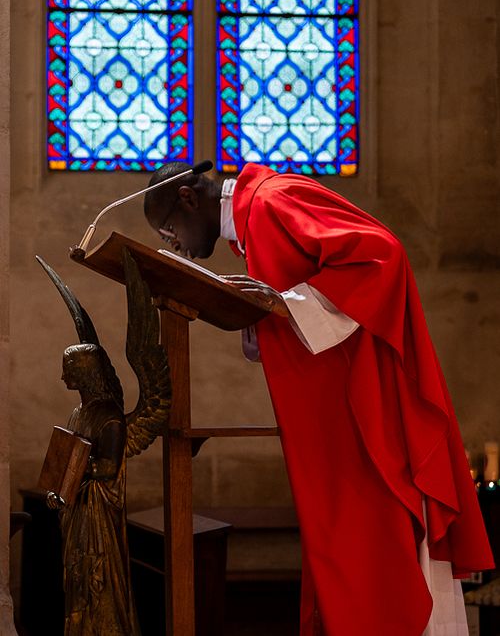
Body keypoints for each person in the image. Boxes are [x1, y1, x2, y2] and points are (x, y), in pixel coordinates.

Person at [144, 161, 494, 636]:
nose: (173, 244)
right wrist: (261, 314)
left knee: (382, 555)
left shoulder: (271, 200)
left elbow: (380, 255)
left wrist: (282, 303)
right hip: (337, 424)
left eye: (168, 230)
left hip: (366, 416)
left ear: (187, 198)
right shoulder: (251, 226)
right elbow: (292, 315)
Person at [47, 344, 141, 636]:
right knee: (77, 579)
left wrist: (75, 464)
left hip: (98, 514)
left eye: (70, 368)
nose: (64, 375)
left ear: (87, 372)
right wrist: (58, 488)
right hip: (78, 507)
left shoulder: (110, 417)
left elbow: (108, 468)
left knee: (96, 577)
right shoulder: (78, 413)